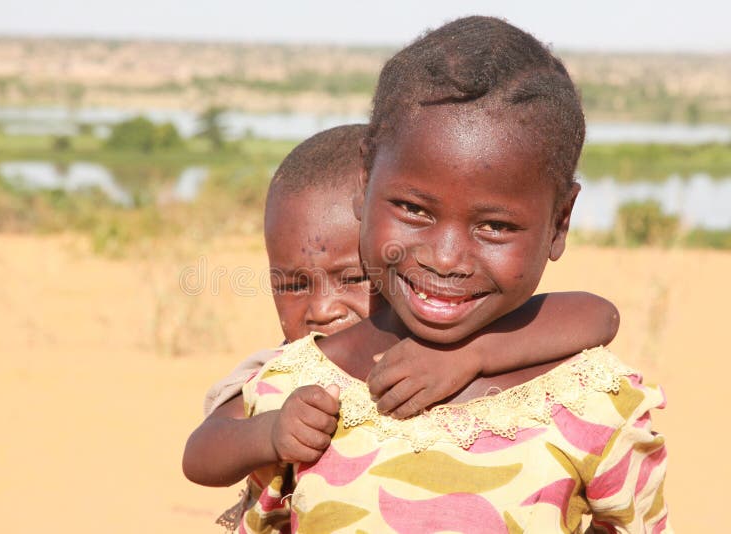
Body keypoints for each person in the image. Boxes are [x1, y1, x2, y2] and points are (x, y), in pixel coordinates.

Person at [233, 16, 669, 533]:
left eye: (495, 225)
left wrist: (476, 354)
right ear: (365, 179)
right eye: (415, 210)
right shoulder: (296, 390)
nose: (444, 258)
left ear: (560, 222)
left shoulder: (592, 406)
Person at [184, 121, 620, 505]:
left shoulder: (456, 330)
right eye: (293, 285)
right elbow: (200, 454)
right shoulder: (285, 374)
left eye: (353, 279)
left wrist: (472, 356)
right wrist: (270, 433)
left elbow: (599, 316)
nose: (322, 309)